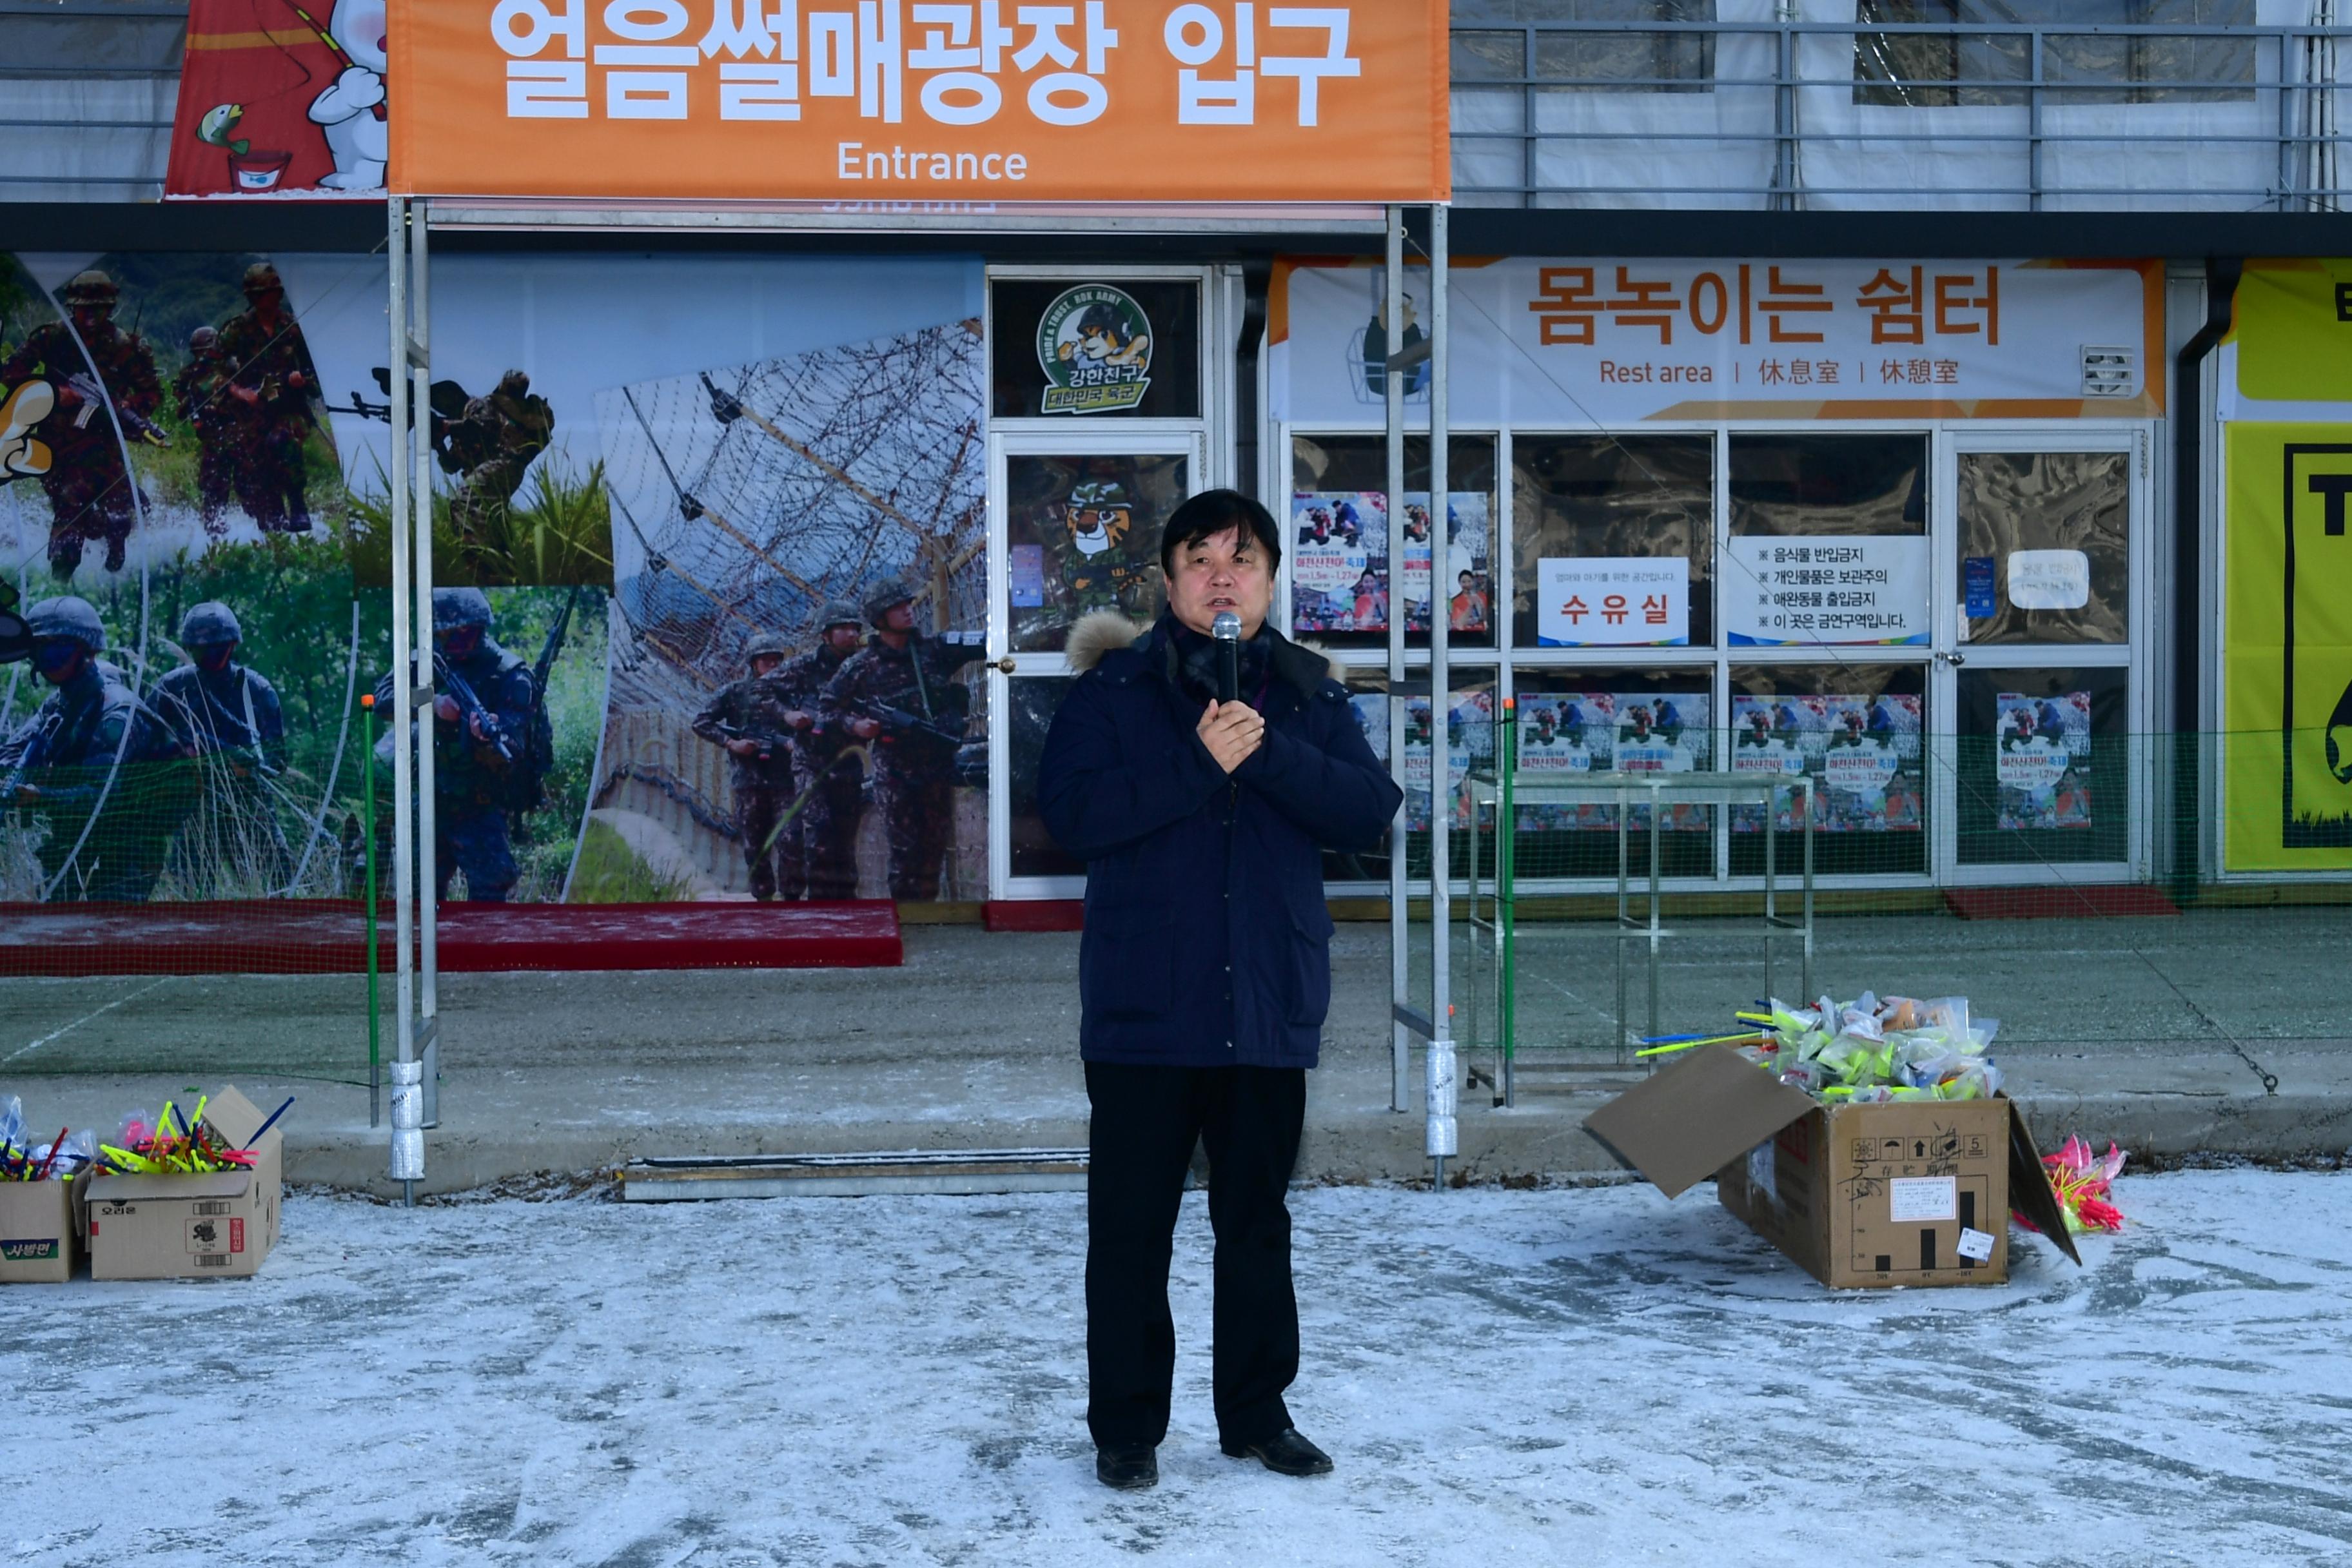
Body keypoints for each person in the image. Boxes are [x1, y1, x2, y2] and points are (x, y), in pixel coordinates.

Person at [1037, 489, 1402, 1493]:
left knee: (1255, 1226)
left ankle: (1254, 1415)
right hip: (1144, 1009)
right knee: (1130, 1228)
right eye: (1199, 560)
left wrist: (1269, 750)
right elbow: (1074, 815)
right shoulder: (1113, 692)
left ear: (1273, 580)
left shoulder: (1309, 694)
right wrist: (1197, 761)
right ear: (1165, 582)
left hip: (1266, 1005)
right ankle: (1127, 1429)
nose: (1222, 577)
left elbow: (1369, 811)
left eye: (1242, 560)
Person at [0, 596, 182, 899]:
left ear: (87, 651)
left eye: (58, 649)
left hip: (129, 839)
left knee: (111, 926)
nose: (47, 658)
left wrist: (41, 795)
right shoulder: (59, 704)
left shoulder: (117, 712)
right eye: (40, 649)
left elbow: (101, 796)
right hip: (74, 831)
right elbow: (12, 752)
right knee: (53, 916)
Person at [372, 588, 536, 903]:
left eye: (464, 632)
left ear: (478, 628)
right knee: (419, 899)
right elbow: (381, 701)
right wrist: (431, 702)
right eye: (447, 633)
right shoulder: (428, 659)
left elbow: (517, 748)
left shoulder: (510, 675)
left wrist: (487, 737)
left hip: (480, 805)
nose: (456, 640)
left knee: (490, 904)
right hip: (430, 800)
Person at [0, 270, 161, 578]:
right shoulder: (52, 338)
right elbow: (11, 375)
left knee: (121, 514)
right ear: (72, 307)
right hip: (57, 446)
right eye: (83, 307)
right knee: (71, 505)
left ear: (110, 308)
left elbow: (152, 393)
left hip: (104, 446)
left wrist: (127, 407)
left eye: (98, 308)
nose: (89, 315)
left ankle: (114, 575)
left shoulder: (127, 347)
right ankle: (61, 577)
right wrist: (55, 393)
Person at [820, 580, 975, 901]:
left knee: (934, 847)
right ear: (879, 617)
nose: (909, 610)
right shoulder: (861, 666)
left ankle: (928, 917)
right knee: (905, 852)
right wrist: (856, 724)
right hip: (896, 770)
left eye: (908, 604)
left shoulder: (935, 651)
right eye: (898, 607)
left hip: (937, 765)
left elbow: (985, 647)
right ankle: (906, 921)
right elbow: (828, 707)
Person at [155, 600, 290, 885]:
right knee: (190, 895)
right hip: (194, 803)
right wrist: (180, 754)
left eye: (217, 647)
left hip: (249, 802)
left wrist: (246, 768)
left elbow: (278, 760)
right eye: (201, 648)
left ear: (232, 645)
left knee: (276, 888)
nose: (209, 654)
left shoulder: (256, 690)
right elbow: (143, 744)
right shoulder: (172, 688)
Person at [691, 632, 805, 901]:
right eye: (767, 661)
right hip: (749, 782)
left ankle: (791, 899)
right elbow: (701, 722)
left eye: (778, 661)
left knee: (791, 839)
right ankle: (763, 899)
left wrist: (795, 743)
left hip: (785, 781)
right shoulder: (735, 693)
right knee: (755, 846)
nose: (774, 666)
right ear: (754, 664)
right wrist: (731, 743)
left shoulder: (790, 694)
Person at [214, 262, 320, 533]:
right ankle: (273, 516)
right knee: (258, 467)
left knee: (283, 441)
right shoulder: (236, 330)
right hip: (252, 412)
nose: (268, 300)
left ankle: (298, 505)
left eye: (272, 293)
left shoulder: (293, 329)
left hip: (289, 407)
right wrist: (239, 391)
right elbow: (208, 371)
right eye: (261, 294)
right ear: (252, 297)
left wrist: (301, 379)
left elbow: (315, 371)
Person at [774, 600, 867, 901]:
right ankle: (820, 902)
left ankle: (846, 902)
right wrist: (786, 714)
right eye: (843, 628)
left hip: (849, 762)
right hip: (810, 762)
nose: (852, 634)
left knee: (844, 836)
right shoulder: (804, 666)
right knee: (818, 831)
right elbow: (759, 691)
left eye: (855, 628)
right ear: (826, 634)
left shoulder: (863, 666)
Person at [172, 326, 242, 536]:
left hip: (240, 433)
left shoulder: (232, 367)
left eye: (206, 352)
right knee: (212, 484)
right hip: (212, 438)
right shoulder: (191, 374)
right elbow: (179, 395)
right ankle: (214, 528)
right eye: (199, 353)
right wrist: (189, 402)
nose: (203, 357)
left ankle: (261, 529)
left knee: (247, 482)